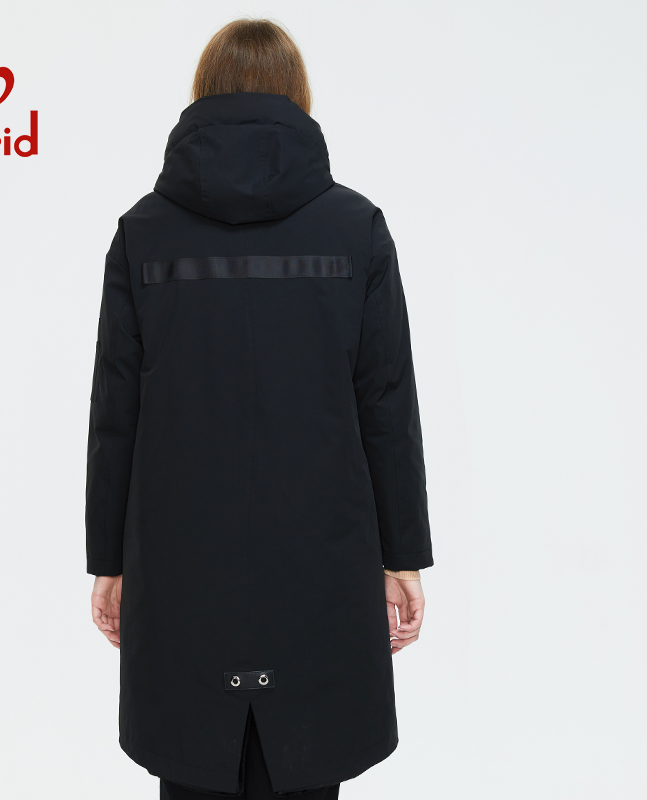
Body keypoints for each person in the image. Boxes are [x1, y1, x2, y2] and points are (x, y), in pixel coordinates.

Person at [86, 18, 433, 800]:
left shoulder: (143, 235)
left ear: (202, 95)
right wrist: (401, 554)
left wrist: (110, 560)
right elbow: (385, 403)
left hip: (179, 568)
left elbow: (116, 414)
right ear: (297, 97)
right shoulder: (356, 230)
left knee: (191, 770)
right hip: (321, 566)